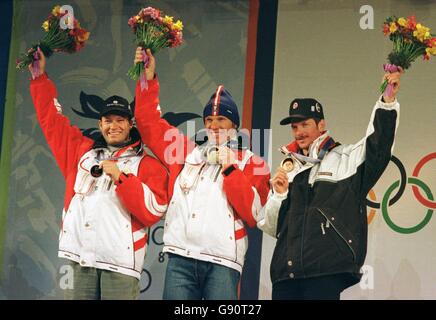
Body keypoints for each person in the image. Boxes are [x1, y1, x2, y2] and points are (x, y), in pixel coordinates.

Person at [28, 48, 169, 300]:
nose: (113, 126)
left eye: (120, 120)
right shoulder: (81, 152)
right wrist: (39, 79)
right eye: (107, 120)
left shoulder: (147, 165)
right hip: (79, 258)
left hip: (120, 264)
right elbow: (51, 120)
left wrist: (121, 178)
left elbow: (153, 211)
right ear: (99, 124)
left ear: (130, 125)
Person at [132, 47, 270, 300]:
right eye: (209, 120)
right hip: (180, 259)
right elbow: (147, 122)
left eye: (222, 120)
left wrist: (230, 169)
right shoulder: (184, 151)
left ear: (234, 126)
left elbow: (254, 214)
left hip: (223, 262)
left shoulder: (252, 163)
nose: (214, 126)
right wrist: (147, 79)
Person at [258, 70, 403, 300]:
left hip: (325, 271)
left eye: (304, 124)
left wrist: (387, 101)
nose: (299, 132)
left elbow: (378, 146)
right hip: (286, 275)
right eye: (294, 127)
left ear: (321, 124)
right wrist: (278, 195)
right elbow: (271, 227)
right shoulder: (289, 168)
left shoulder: (345, 158)